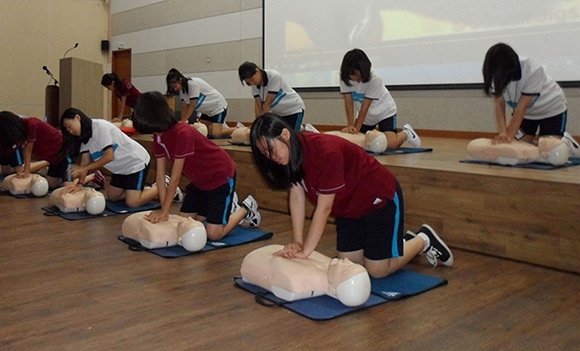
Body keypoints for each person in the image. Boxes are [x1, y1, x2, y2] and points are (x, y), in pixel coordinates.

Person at [249, 113, 453, 279]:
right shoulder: (291, 157)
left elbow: (324, 208)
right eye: (266, 155)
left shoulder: (325, 152)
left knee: (377, 271)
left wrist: (306, 251)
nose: (272, 158)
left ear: (285, 134)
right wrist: (297, 241)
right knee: (351, 267)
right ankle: (400, 243)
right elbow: (296, 195)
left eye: (271, 150)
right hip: (349, 210)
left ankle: (422, 239)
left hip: (379, 200)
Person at [131, 91, 261, 241]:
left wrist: (164, 211)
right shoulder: (159, 136)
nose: (154, 134)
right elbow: (160, 177)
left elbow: (175, 177)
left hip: (220, 177)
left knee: (213, 234)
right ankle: (225, 208)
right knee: (185, 223)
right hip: (200, 183)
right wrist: (162, 210)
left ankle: (246, 208)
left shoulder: (183, 133)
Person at [482, 43, 580, 156]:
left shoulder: (532, 69)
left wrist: (508, 136)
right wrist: (503, 133)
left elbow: (521, 107)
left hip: (551, 109)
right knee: (519, 149)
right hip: (528, 115)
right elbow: (499, 104)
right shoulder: (495, 75)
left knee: (550, 150)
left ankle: (567, 142)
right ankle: (537, 141)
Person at [60, 107, 161, 208]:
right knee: (112, 197)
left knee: (132, 203)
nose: (70, 131)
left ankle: (163, 186)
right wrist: (79, 185)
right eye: (67, 129)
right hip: (120, 169)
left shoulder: (100, 128)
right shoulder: (84, 138)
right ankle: (141, 191)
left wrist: (84, 168)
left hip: (135, 163)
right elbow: (84, 162)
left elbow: (109, 156)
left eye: (69, 126)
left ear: (77, 118)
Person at [339, 48, 421, 150]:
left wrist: (356, 130)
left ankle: (407, 133)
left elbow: (365, 106)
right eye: (352, 75)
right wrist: (351, 125)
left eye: (357, 74)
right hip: (367, 117)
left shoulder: (375, 78)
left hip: (384, 112)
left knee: (390, 145)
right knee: (360, 143)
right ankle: (377, 135)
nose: (355, 78)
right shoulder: (345, 78)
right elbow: (348, 103)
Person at [0, 111, 67, 188]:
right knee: (50, 183)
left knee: (51, 184)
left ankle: (67, 174)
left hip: (61, 154)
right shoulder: (20, 132)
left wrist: (27, 170)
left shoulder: (31, 124)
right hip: (51, 157)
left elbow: (28, 150)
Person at [166, 68, 236, 138]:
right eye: (173, 88)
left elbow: (192, 105)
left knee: (216, 134)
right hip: (207, 112)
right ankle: (223, 128)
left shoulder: (192, 83)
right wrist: (183, 122)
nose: (175, 89)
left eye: (175, 86)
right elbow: (184, 107)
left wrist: (183, 121)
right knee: (202, 130)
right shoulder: (182, 91)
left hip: (218, 107)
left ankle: (237, 130)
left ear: (180, 80)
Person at [238, 61, 305, 131]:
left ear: (257, 70)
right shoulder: (254, 85)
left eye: (252, 79)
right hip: (279, 113)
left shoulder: (274, 76)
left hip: (294, 109)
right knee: (280, 136)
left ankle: (306, 131)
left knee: (292, 137)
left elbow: (268, 103)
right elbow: (258, 105)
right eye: (248, 82)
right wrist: (256, 123)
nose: (252, 83)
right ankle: (302, 129)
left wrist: (259, 124)